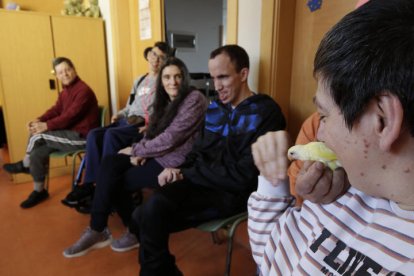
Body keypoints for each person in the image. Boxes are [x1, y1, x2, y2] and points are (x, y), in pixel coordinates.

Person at [249, 0, 414, 274]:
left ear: (382, 120)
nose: (319, 133)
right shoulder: (342, 187)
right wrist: (272, 178)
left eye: (324, 115)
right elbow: (271, 255)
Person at [131, 45, 286, 276]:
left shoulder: (266, 113)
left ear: (243, 74)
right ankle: (165, 271)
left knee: (151, 213)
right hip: (199, 183)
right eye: (213, 78)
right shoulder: (214, 109)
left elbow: (244, 176)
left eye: (223, 77)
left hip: (231, 193)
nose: (217, 86)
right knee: (139, 216)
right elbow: (196, 152)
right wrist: (178, 168)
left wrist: (188, 173)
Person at [63, 57, 208, 258]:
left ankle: (132, 230)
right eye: (167, 77)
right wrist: (139, 149)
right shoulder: (165, 99)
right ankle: (99, 229)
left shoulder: (194, 99)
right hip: (155, 153)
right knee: (110, 163)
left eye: (177, 76)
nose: (172, 82)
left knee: (116, 181)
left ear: (185, 78)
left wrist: (137, 152)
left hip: (173, 161)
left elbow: (171, 138)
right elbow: (151, 132)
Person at [62, 42, 173, 207]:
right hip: (126, 120)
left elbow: (166, 110)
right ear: (149, 55)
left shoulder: (165, 82)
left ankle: (104, 186)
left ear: (166, 62)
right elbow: (130, 106)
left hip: (142, 124)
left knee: (111, 135)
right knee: (94, 134)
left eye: (162, 58)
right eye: (154, 54)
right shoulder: (140, 80)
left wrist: (153, 126)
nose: (156, 59)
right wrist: (119, 113)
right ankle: (89, 183)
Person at [3, 57, 99, 208]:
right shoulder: (65, 92)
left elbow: (69, 116)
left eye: (67, 70)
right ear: (56, 76)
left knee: (38, 134)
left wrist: (45, 126)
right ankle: (39, 191)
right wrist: (38, 120)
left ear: (74, 69)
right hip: (67, 135)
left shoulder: (83, 90)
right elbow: (56, 110)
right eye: (60, 72)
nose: (65, 74)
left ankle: (25, 164)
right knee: (37, 152)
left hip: (82, 137)